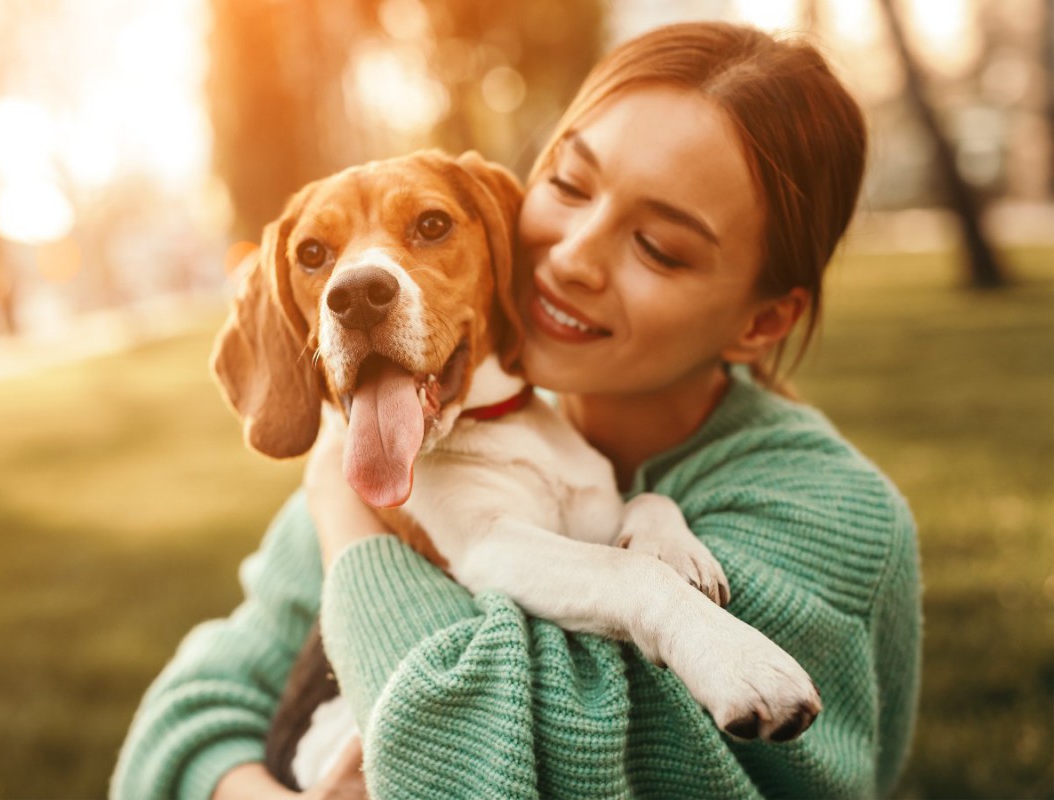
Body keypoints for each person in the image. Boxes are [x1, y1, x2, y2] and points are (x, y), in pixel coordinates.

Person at [111, 20, 921, 800]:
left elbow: (478, 773)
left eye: (660, 246)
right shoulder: (388, 444)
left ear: (762, 321)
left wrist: (348, 524)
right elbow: (181, 722)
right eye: (568, 185)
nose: (571, 258)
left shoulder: (824, 518)